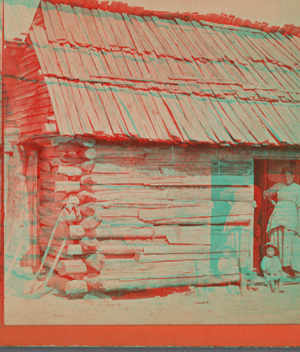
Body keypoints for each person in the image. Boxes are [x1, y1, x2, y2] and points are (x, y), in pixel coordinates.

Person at [263, 164, 300, 276]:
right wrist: (272, 201)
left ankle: (289, 267)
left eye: (289, 176)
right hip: (278, 215)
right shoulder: (279, 185)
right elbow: (266, 192)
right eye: (284, 176)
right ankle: (278, 267)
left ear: (293, 176)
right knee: (277, 238)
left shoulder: (298, 188)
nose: (286, 178)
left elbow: (299, 207)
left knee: (289, 240)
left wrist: (298, 223)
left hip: (290, 216)